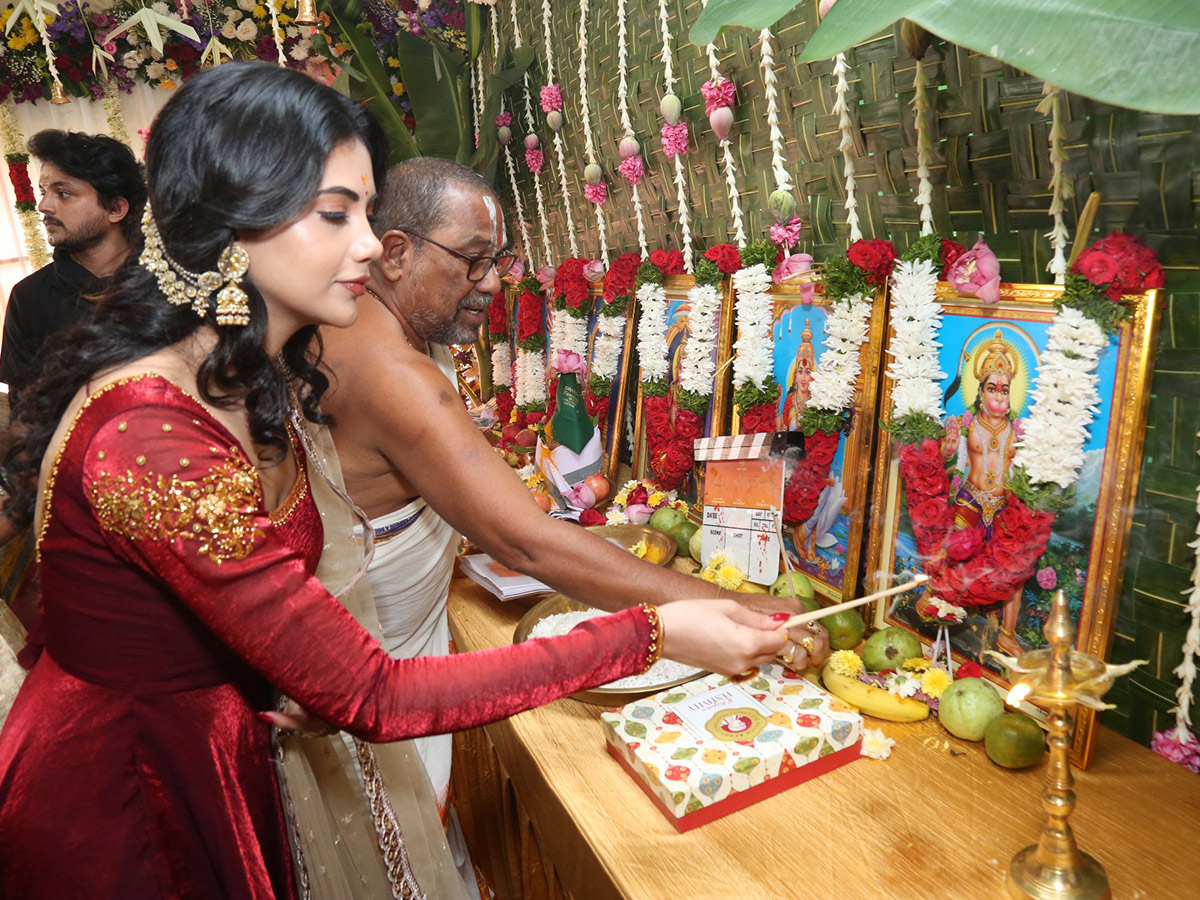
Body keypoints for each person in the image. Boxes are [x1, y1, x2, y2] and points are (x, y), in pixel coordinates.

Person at [0, 63, 787, 899]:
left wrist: (276, 669)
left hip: (212, 747)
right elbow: (374, 695)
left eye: (368, 215)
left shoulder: (241, 374)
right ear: (234, 226)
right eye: (338, 215)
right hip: (129, 802)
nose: (373, 246)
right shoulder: (153, 435)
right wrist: (656, 634)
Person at [318, 158, 831, 841]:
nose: (493, 282)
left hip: (407, 655)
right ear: (395, 253)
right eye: (472, 261)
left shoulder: (390, 328)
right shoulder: (391, 368)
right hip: (378, 693)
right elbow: (528, 541)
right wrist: (729, 606)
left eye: (498, 260)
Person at [0, 129, 145, 412]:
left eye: (63, 193)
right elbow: (26, 411)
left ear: (115, 208)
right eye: (44, 192)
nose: (43, 206)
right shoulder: (30, 298)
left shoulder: (165, 279)